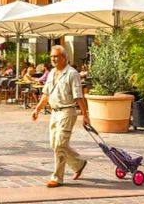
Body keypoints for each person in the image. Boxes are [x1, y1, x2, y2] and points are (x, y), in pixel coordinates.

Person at [32, 45, 90, 188]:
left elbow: (78, 95)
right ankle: (78, 164)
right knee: (55, 144)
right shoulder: (51, 73)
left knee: (60, 145)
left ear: (64, 57)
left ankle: (57, 178)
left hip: (67, 111)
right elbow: (46, 93)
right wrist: (37, 109)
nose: (53, 59)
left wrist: (85, 114)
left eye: (56, 56)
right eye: (52, 56)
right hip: (54, 112)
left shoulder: (72, 73)